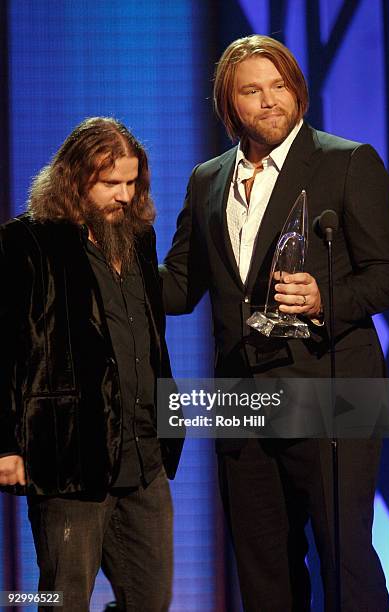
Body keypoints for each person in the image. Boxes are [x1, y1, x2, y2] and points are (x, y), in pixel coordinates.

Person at [160, 35, 389, 611]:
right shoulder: (206, 179)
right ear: (230, 106)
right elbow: (179, 285)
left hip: (336, 386)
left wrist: (325, 297)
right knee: (262, 564)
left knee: (345, 558)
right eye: (252, 90)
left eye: (280, 86)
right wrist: (106, 263)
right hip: (241, 397)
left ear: (298, 91)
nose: (270, 101)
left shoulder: (348, 160)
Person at [0, 117, 182, 612]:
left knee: (151, 599)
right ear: (76, 179)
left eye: (131, 182)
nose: (124, 195)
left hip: (145, 458)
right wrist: (5, 445)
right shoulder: (27, 244)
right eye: (110, 183)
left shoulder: (138, 237)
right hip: (70, 458)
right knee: (63, 599)